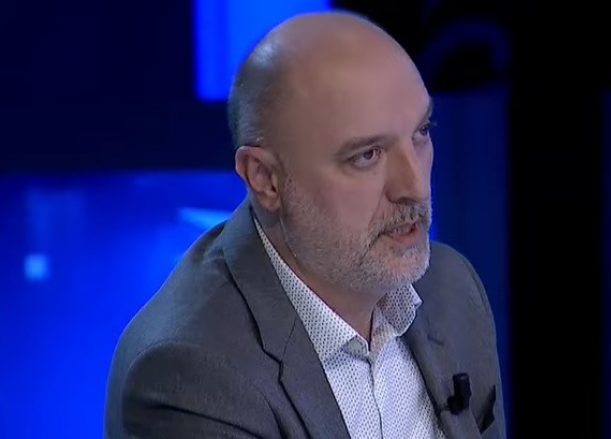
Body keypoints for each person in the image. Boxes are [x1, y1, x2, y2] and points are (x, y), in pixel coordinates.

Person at [105, 10, 505, 439]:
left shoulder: (452, 289)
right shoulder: (191, 375)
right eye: (367, 156)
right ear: (266, 179)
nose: (415, 187)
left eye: (421, 133)